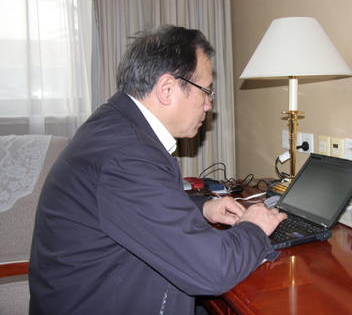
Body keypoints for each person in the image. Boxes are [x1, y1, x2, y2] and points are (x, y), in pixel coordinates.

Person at [28, 25, 287, 315]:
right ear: (166, 89)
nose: (209, 105)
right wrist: (254, 226)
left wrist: (202, 207)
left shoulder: (114, 124)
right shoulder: (127, 156)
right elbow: (214, 270)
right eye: (206, 91)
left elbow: (133, 203)